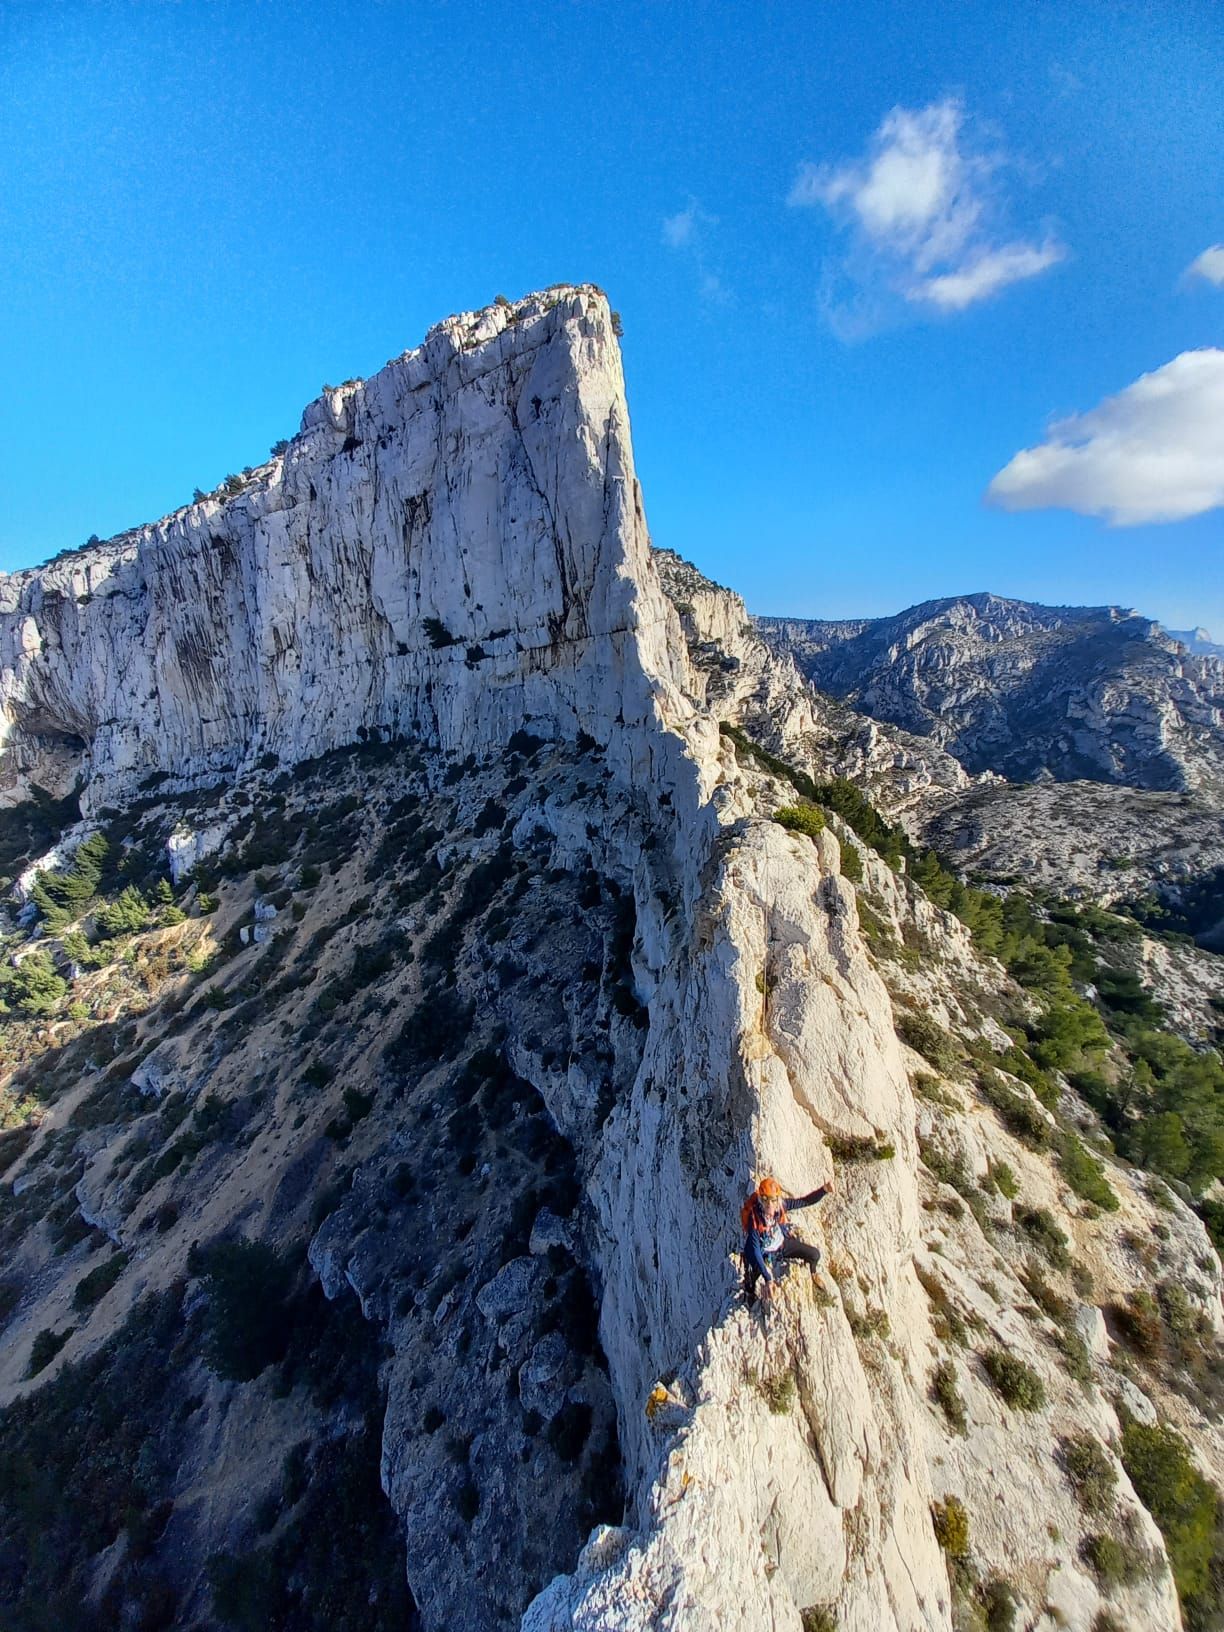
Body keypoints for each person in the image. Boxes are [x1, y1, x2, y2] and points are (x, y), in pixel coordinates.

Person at [741, 1174, 831, 1304]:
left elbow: (804, 1201)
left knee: (814, 1254)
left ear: (777, 1199)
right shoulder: (754, 1220)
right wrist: (768, 1278)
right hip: (762, 1251)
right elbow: (755, 1250)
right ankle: (749, 1291)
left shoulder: (782, 1206)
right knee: (753, 1274)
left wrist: (824, 1190)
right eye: (765, 1200)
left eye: (772, 1200)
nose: (769, 1205)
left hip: (780, 1245)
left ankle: (813, 1272)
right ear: (760, 1200)